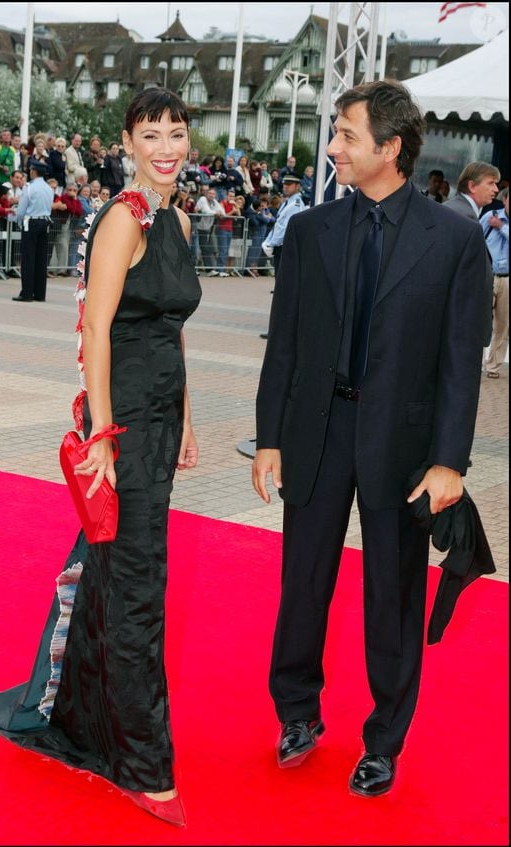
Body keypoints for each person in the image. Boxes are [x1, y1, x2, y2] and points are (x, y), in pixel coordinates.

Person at [0, 87, 201, 828]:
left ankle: (80, 716)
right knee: (135, 587)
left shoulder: (182, 220)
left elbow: (174, 330)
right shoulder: (123, 220)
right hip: (124, 424)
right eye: (151, 133)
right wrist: (102, 435)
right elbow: (96, 329)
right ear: (129, 142)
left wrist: (189, 420)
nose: (167, 145)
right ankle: (141, 761)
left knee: (116, 569)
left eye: (177, 131)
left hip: (161, 421)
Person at [252, 80, 491, 797]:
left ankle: (385, 737)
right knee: (303, 585)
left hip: (404, 447)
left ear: (391, 149)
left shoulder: (452, 240)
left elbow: (460, 361)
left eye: (347, 135)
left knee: (392, 595)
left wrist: (450, 460)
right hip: (316, 434)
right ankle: (296, 711)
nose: (333, 147)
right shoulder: (309, 231)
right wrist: (270, 438)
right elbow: (284, 347)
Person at [11, 159, 54, 301]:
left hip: (31, 223)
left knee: (28, 258)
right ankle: (40, 293)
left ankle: (27, 293)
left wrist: (18, 221)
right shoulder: (49, 188)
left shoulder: (29, 187)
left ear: (34, 171)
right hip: (45, 222)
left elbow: (22, 210)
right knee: (41, 259)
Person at [481, 187, 509, 379]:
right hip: (487, 276)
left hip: (508, 279)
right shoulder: (489, 216)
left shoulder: (498, 222)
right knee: (479, 320)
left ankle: (493, 367)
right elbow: (474, 238)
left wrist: (502, 227)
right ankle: (474, 363)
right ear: (505, 199)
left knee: (502, 324)